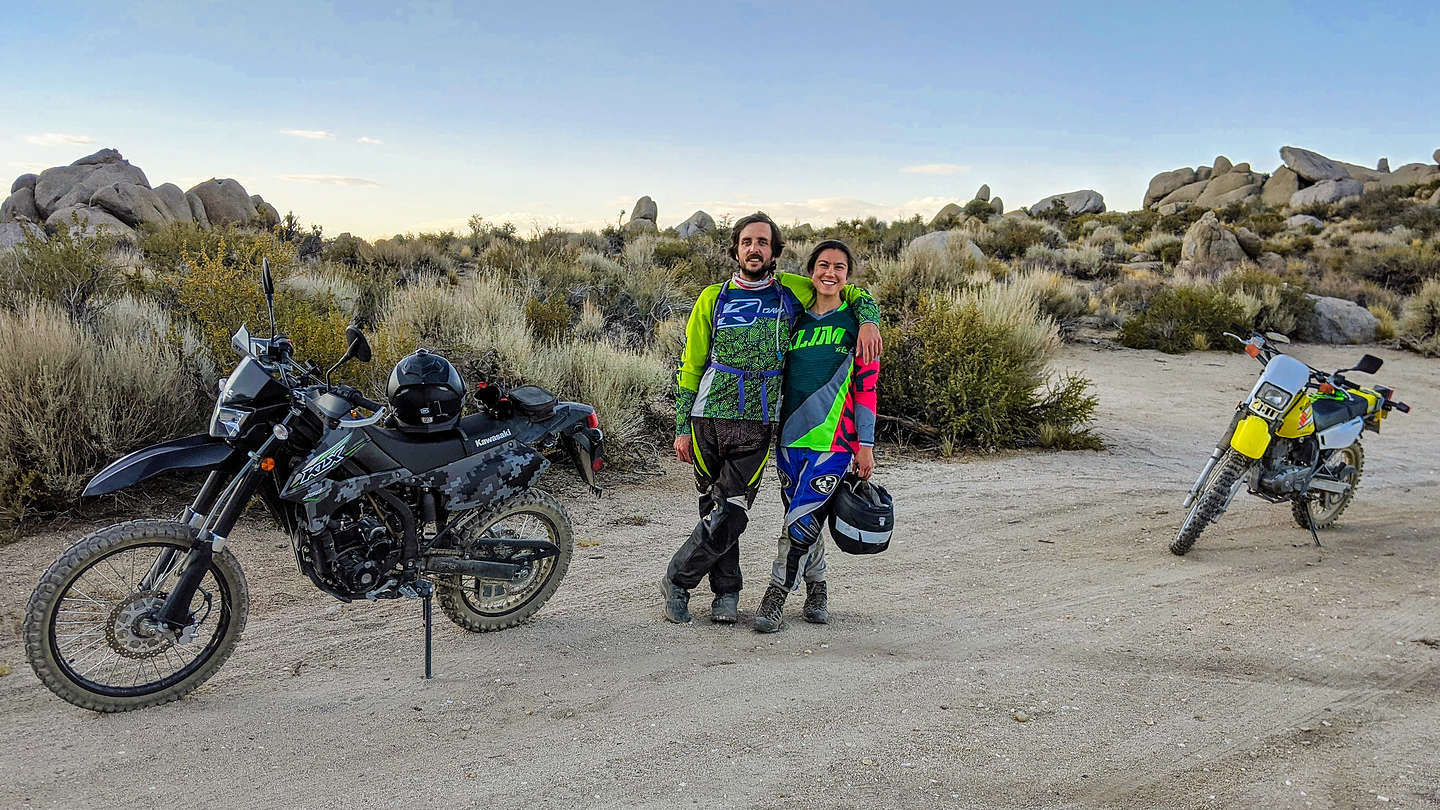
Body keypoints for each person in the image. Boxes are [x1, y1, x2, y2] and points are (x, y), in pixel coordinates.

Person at [661, 213, 882, 624]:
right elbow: (690, 365)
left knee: (732, 511)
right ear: (736, 248)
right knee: (713, 508)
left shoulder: (792, 291)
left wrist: (869, 319)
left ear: (774, 251)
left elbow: (845, 291)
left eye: (763, 242)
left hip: (758, 422)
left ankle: (678, 580)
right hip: (707, 417)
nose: (754, 248)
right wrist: (680, 427)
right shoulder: (712, 297)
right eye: (747, 241)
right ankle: (726, 593)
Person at [753, 240, 878, 633]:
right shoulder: (796, 321)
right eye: (823, 265)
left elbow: (867, 389)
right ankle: (818, 586)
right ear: (811, 272)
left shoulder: (858, 327)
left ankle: (776, 594)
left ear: (848, 277)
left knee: (801, 521)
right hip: (789, 440)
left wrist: (866, 445)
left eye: (839, 267)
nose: (830, 273)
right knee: (803, 517)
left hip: (835, 443)